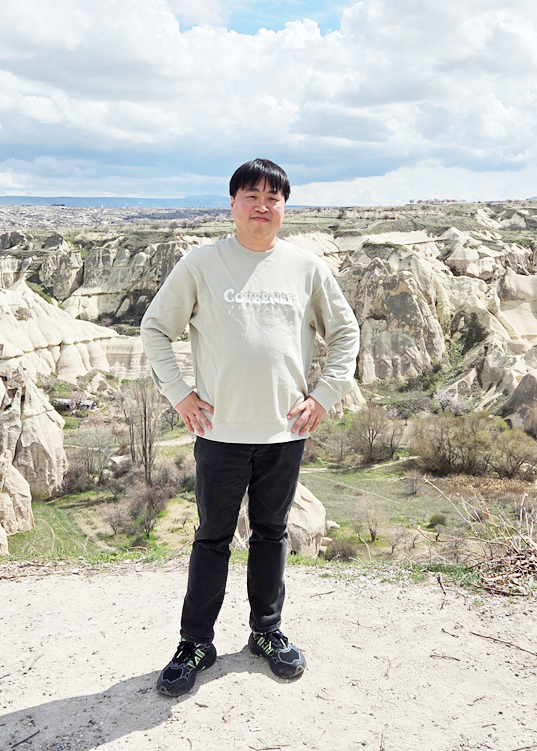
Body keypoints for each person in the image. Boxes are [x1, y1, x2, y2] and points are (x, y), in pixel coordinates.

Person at [141, 158, 360, 697]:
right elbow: (155, 328)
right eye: (251, 196)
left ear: (284, 206)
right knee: (212, 538)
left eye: (272, 198)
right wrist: (180, 394)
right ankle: (195, 643)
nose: (262, 206)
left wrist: (324, 395)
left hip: (284, 433)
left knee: (271, 535)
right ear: (233, 203)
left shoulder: (306, 267)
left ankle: (266, 632)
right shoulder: (201, 263)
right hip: (219, 432)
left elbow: (346, 333)